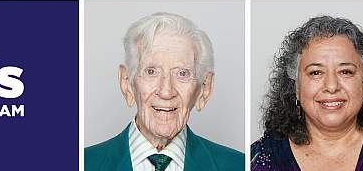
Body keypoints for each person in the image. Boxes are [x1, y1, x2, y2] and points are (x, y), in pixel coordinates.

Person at [85, 12, 244, 171]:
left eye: (182, 73)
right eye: (151, 72)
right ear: (127, 83)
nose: (166, 92)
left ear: (204, 88)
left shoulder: (239, 165)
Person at [251, 16, 363, 171]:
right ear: (296, 88)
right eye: (315, 73)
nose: (331, 86)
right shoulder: (260, 160)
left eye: (346, 71)